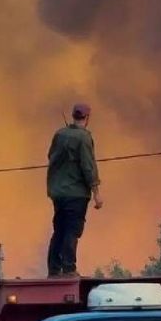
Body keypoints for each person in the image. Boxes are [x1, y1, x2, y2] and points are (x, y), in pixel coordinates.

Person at [46, 103, 103, 278]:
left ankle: (54, 269)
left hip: (58, 193)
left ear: (73, 116)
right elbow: (88, 166)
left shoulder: (59, 134)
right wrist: (96, 193)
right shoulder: (84, 138)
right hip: (76, 193)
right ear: (87, 118)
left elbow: (51, 156)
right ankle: (69, 268)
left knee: (59, 230)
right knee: (72, 230)